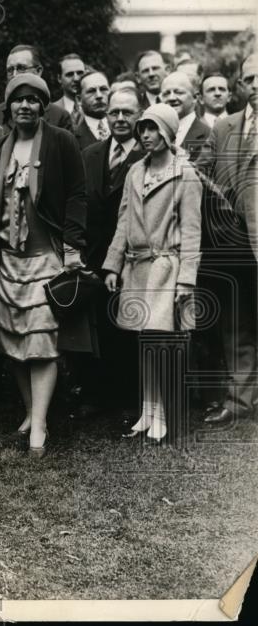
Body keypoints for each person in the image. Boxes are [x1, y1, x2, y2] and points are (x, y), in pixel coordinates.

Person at [0, 74, 90, 457]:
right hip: (8, 259)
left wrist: (72, 246)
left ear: (43, 106)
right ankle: (28, 409)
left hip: (46, 257)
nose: (25, 106)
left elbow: (76, 195)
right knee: (13, 339)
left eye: (33, 100)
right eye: (18, 100)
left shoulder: (61, 142)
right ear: (9, 108)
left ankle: (39, 421)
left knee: (42, 341)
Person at [103, 103, 202, 446]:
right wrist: (113, 265)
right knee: (143, 342)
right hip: (137, 268)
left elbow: (191, 231)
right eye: (142, 128)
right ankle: (147, 409)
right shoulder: (135, 172)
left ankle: (162, 414)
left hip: (166, 269)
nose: (145, 135)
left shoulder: (185, 174)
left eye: (153, 128)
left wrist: (186, 278)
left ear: (168, 132)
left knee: (161, 342)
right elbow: (123, 222)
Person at [197, 53, 258, 431]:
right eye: (250, 79)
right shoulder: (224, 127)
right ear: (240, 86)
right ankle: (240, 400)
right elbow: (201, 170)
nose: (257, 85)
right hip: (233, 245)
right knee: (235, 325)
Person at [80, 89, 146, 415]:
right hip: (93, 256)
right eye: (114, 112)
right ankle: (95, 394)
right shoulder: (90, 154)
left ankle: (127, 398)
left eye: (128, 112)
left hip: (133, 257)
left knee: (128, 328)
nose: (120, 118)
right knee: (96, 327)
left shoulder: (149, 156)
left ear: (140, 115)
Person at [0, 45, 74, 133]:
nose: (14, 75)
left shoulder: (60, 117)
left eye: (21, 68)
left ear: (38, 71)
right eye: (10, 70)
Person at [159, 71, 211, 162]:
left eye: (178, 92)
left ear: (195, 97)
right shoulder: (153, 133)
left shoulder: (208, 135)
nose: (171, 98)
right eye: (166, 94)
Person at [72, 70, 112, 150]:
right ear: (79, 100)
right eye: (91, 91)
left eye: (103, 89)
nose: (99, 96)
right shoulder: (72, 139)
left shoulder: (127, 129)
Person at [52, 54, 86, 124]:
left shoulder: (98, 107)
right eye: (70, 74)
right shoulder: (51, 111)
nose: (76, 79)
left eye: (80, 73)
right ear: (59, 78)